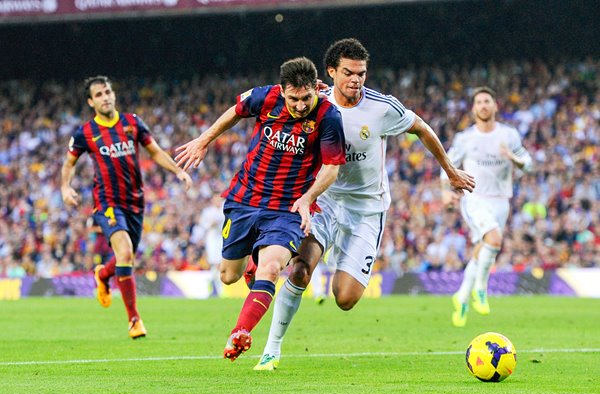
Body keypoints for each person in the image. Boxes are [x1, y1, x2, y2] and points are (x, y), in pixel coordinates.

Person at [253, 38, 475, 370]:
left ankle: (335, 263)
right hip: (323, 204)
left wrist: (449, 170)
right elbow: (278, 111)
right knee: (299, 270)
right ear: (330, 72)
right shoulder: (314, 102)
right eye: (348, 73)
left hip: (366, 211)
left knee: (345, 298)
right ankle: (271, 350)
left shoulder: (382, 107)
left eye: (361, 73)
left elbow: (422, 129)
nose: (356, 79)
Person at [175, 57, 346, 361]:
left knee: (272, 268)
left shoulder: (328, 116)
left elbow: (332, 168)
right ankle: (249, 266)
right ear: (282, 91)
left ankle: (240, 333)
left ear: (315, 91)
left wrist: (307, 198)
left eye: (307, 97)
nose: (301, 105)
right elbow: (235, 111)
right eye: (294, 98)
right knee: (228, 276)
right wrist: (204, 140)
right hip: (245, 199)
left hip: (288, 207)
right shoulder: (265, 97)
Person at [61, 76, 192, 339]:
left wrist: (177, 171)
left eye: (108, 91)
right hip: (107, 202)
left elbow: (154, 151)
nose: (105, 97)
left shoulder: (132, 123)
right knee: (125, 251)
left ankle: (104, 274)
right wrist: (66, 187)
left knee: (126, 257)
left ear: (114, 94)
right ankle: (134, 320)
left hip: (135, 201)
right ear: (91, 101)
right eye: (98, 94)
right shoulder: (85, 133)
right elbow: (69, 164)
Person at [442, 86, 533, 327]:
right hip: (474, 198)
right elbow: (448, 166)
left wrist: (513, 159)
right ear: (473, 109)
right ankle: (480, 290)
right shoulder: (465, 138)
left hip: (501, 201)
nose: (483, 105)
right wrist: (445, 192)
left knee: (483, 249)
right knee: (493, 239)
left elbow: (529, 163)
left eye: (487, 101)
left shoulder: (508, 135)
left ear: (495, 106)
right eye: (479, 102)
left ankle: (461, 296)